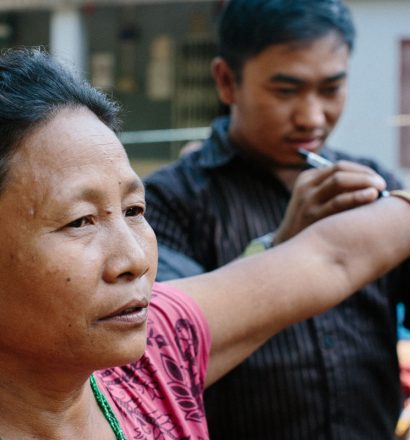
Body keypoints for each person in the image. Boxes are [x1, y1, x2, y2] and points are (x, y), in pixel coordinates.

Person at [2, 47, 410, 440]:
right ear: (227, 82)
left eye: (133, 210)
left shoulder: (157, 355)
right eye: (80, 221)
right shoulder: (184, 200)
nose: (135, 259)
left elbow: (332, 257)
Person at [143, 0, 410, 438]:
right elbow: (169, 345)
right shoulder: (169, 203)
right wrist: (282, 246)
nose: (312, 117)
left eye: (331, 89)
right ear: (227, 82)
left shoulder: (373, 185)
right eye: (286, 91)